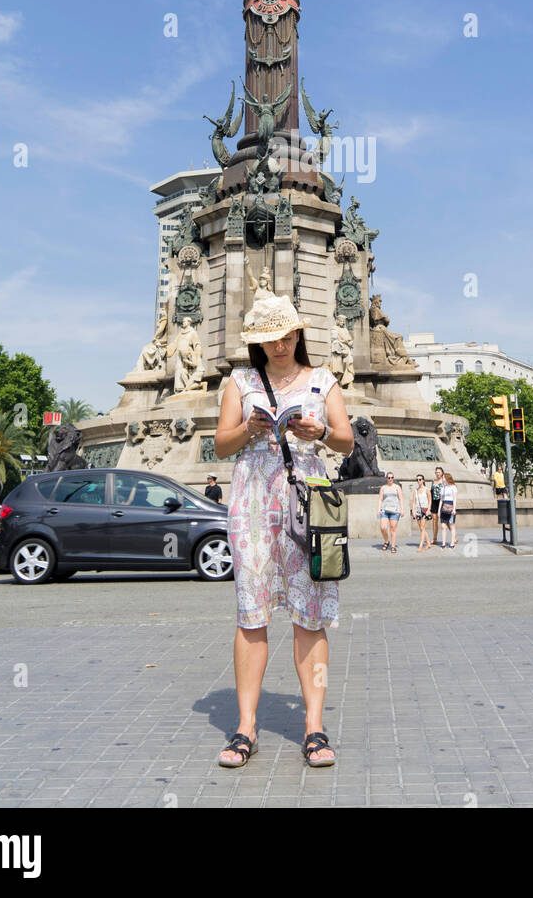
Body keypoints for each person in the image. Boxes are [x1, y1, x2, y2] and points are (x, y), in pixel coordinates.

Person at [214, 288, 353, 769]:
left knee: (309, 615)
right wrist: (251, 429)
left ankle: (314, 727)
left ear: (298, 333)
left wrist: (322, 434)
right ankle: (245, 727)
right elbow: (220, 446)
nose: (278, 346)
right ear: (258, 342)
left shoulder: (322, 380)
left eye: (285, 336)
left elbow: (348, 441)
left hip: (307, 506)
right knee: (251, 613)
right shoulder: (240, 382)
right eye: (269, 339)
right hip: (252, 504)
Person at [377, 471, 403, 552]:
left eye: (392, 477)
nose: (390, 479)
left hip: (395, 510)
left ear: (393, 478)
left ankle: (393, 546)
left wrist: (402, 509)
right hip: (385, 509)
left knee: (393, 528)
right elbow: (380, 499)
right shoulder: (383, 488)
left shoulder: (397, 487)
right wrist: (378, 509)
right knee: (383, 527)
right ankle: (386, 541)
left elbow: (400, 498)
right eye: (389, 478)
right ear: (386, 479)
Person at [412, 474, 432, 552]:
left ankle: (421, 545)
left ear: (423, 480)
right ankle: (428, 543)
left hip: (425, 509)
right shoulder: (415, 491)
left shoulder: (426, 490)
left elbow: (430, 500)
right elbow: (414, 502)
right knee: (421, 528)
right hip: (418, 510)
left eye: (420, 479)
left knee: (422, 527)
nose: (418, 481)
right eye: (417, 480)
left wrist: (428, 510)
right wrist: (413, 511)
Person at [439, 472, 458, 547]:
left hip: (450, 506)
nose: (443, 479)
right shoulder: (442, 488)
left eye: (443, 478)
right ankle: (443, 543)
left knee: (451, 525)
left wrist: (454, 509)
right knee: (443, 526)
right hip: (444, 506)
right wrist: (438, 510)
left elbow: (454, 499)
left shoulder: (453, 487)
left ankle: (452, 542)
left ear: (447, 478)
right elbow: (441, 500)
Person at [430, 466, 445, 544]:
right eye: (436, 472)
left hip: (442, 501)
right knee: (434, 520)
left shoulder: (444, 480)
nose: (437, 473)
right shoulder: (433, 481)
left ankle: (454, 536)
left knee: (446, 521)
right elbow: (431, 491)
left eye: (439, 472)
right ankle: (434, 538)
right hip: (434, 502)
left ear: (442, 473)